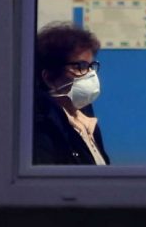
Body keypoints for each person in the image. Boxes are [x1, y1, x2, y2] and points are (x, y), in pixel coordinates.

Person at [33, 22, 110, 165]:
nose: (90, 74)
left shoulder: (86, 118)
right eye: (80, 66)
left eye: (91, 66)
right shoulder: (41, 126)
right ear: (49, 77)